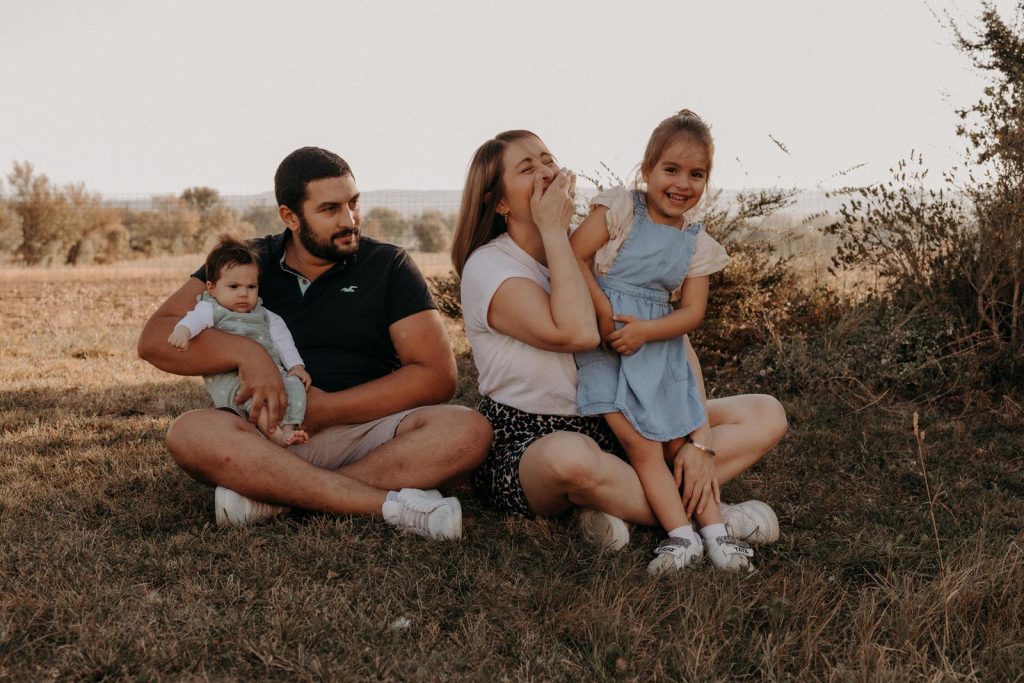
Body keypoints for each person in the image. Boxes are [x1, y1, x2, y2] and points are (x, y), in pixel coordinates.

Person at [450, 130, 787, 562]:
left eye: (547, 159)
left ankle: (620, 505)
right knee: (571, 458)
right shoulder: (490, 266)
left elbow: (670, 336)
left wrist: (700, 445)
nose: (546, 172)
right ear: (499, 202)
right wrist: (556, 233)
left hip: (622, 414)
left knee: (765, 413)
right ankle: (716, 517)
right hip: (533, 437)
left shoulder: (605, 236)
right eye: (527, 168)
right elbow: (578, 334)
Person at [138, 146, 492, 538]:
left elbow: (437, 376)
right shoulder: (244, 263)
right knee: (190, 433)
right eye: (330, 209)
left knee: (469, 432)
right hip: (266, 434)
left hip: (367, 432)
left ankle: (276, 497)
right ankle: (378, 501)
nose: (349, 219)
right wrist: (246, 352)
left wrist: (326, 410)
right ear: (289, 216)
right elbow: (156, 338)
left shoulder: (389, 265)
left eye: (353, 203)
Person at [570, 110, 751, 573]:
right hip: (605, 344)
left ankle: (719, 537)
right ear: (647, 170)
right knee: (640, 444)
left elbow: (692, 312)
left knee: (677, 441)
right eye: (671, 169)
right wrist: (605, 314)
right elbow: (574, 257)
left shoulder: (696, 244)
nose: (682, 183)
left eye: (697, 174)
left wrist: (646, 331)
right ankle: (680, 537)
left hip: (656, 344)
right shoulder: (621, 209)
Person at [168, 235, 312, 447]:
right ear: (211, 287)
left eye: (251, 287)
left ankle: (290, 428)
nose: (244, 294)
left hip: (272, 374)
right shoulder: (211, 309)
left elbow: (282, 337)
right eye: (234, 287)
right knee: (254, 396)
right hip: (234, 380)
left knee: (295, 386)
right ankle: (274, 434)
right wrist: (183, 330)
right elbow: (195, 319)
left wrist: (296, 366)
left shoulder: (262, 313)